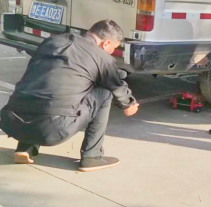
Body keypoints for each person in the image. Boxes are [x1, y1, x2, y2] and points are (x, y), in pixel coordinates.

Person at [0, 20, 139, 171]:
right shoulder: (101, 57)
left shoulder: (51, 42)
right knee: (104, 91)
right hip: (53, 129)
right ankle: (92, 156)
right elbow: (116, 85)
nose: (112, 52)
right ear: (106, 44)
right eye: (113, 48)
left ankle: (25, 147)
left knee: (43, 83)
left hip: (11, 121)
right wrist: (129, 104)